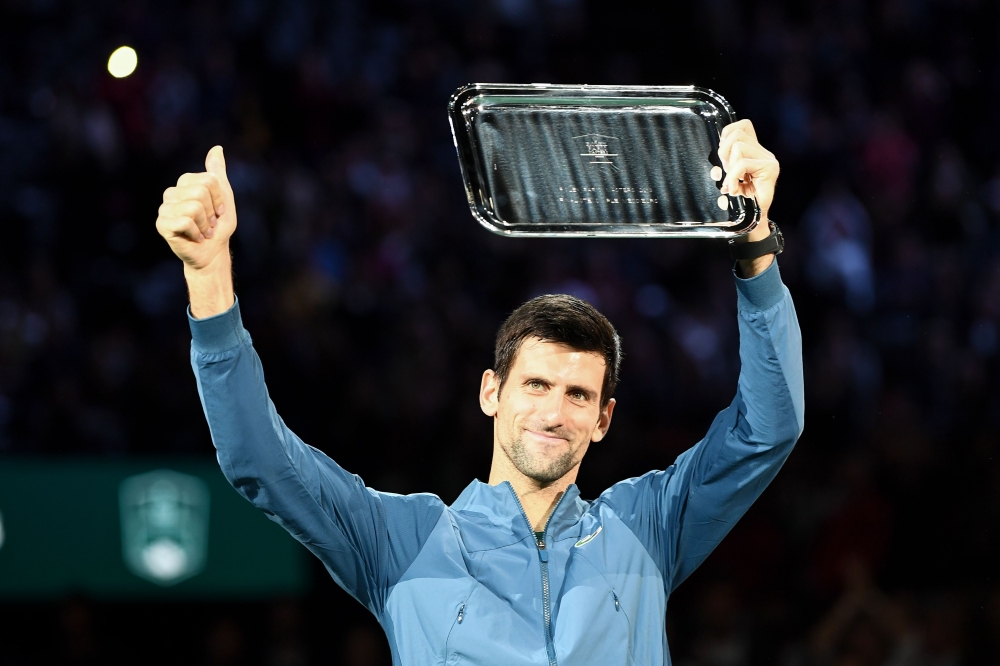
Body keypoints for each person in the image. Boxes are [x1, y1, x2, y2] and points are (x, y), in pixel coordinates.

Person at [155, 119, 803, 666]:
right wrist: (209, 279)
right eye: (537, 384)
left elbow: (769, 429)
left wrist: (754, 240)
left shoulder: (648, 526)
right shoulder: (402, 541)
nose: (554, 411)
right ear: (491, 391)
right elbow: (259, 461)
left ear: (605, 418)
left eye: (579, 395)